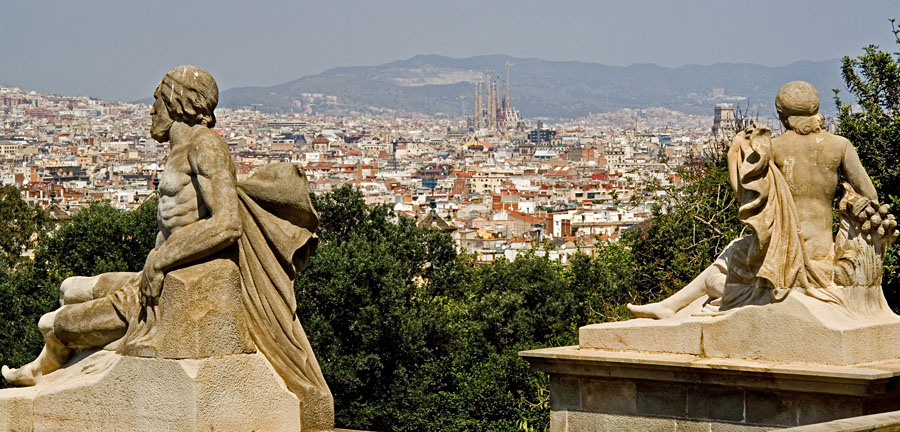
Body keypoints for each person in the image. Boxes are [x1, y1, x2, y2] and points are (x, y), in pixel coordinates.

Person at [628, 81, 886, 319]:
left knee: (721, 271)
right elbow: (870, 196)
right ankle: (668, 307)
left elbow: (746, 198)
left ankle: (669, 306)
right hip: (822, 250)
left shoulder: (773, 147)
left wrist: (735, 154)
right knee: (732, 255)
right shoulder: (840, 146)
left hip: (785, 252)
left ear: (781, 115)